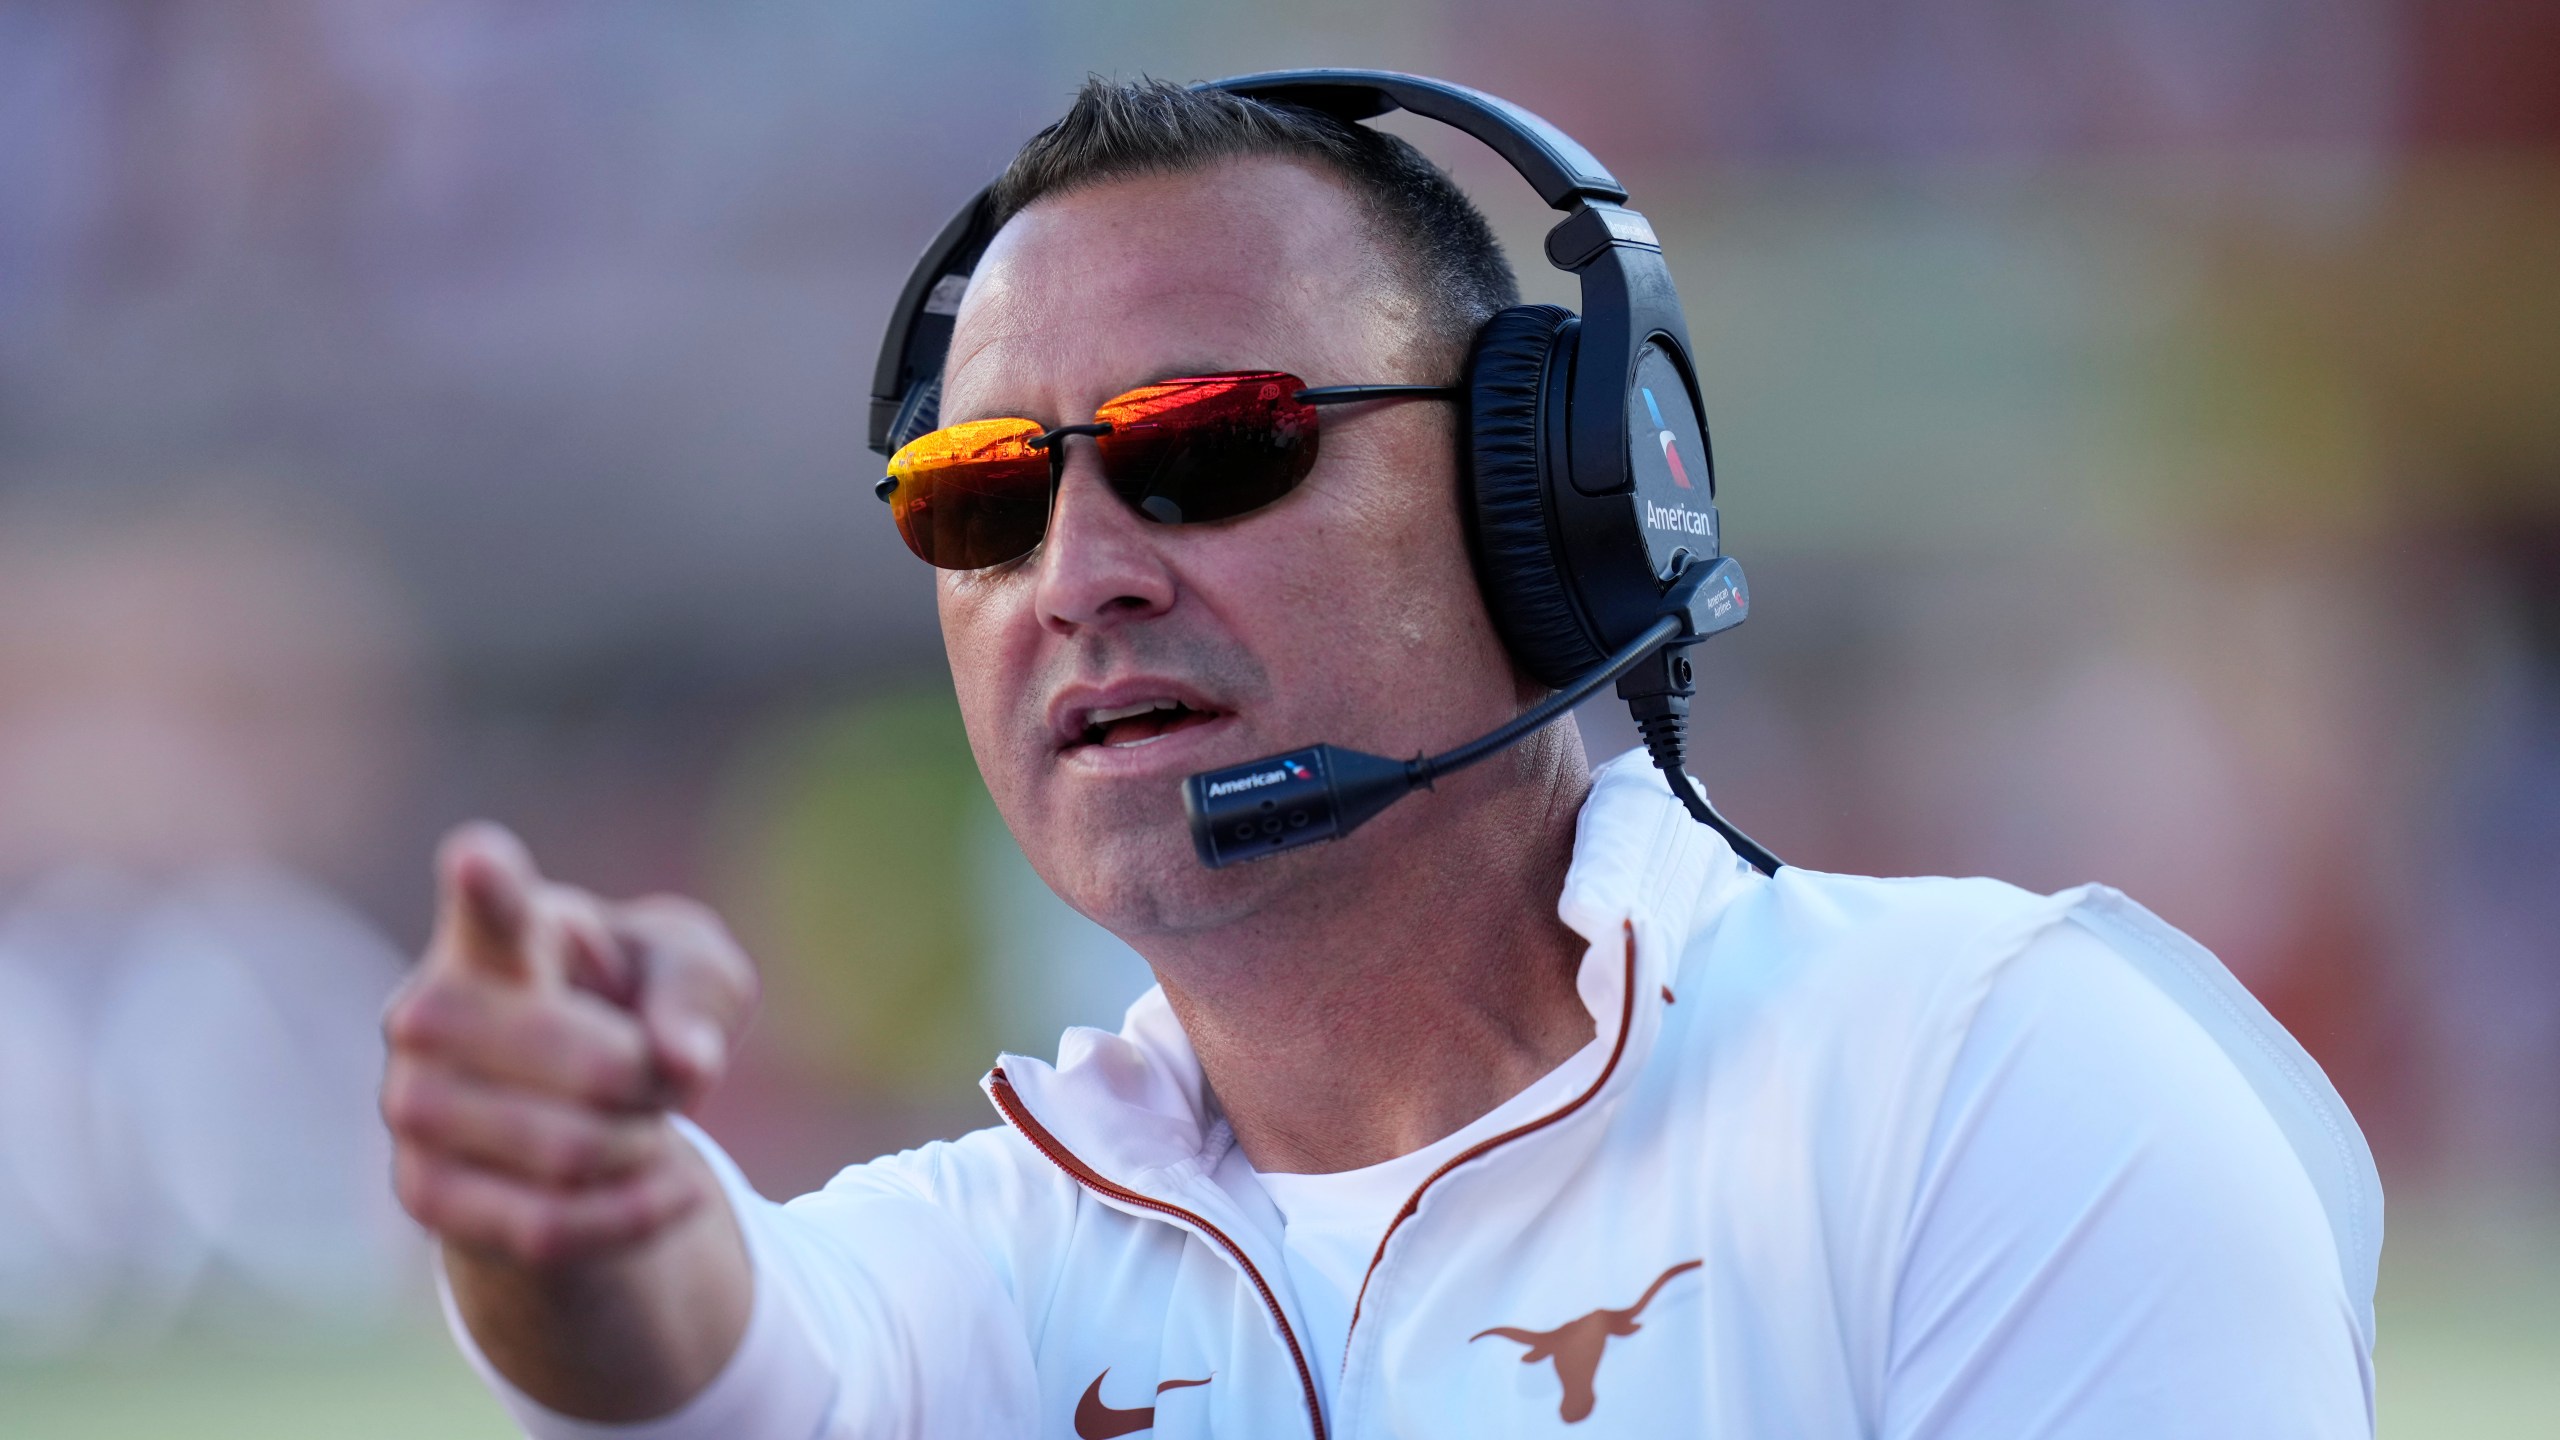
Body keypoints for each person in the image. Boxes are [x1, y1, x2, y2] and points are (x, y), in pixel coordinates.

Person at [382, 77, 2379, 1437]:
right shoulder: (993, 1257)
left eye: (1207, 445)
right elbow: (715, 1361)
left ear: (1554, 494)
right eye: (978, 497)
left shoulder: (1986, 1083)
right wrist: (570, 1204)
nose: (1075, 571)